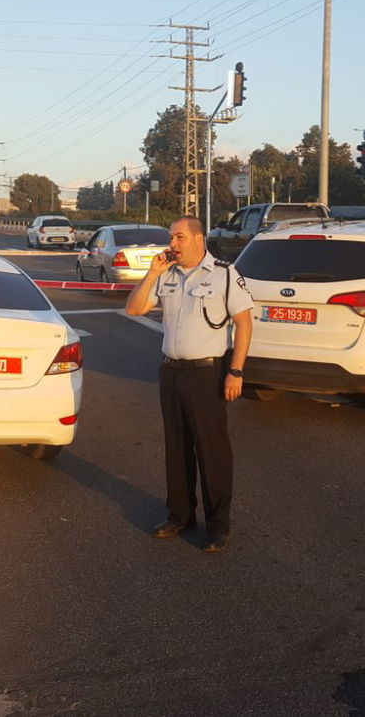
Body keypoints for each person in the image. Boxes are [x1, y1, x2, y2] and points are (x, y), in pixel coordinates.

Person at [124, 216, 253, 552]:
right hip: (171, 372)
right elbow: (134, 309)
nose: (173, 244)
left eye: (180, 237)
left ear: (200, 239)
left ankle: (218, 526)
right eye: (171, 237)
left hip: (206, 374)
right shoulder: (166, 273)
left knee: (212, 452)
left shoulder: (224, 274)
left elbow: (244, 323)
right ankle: (179, 516)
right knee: (176, 449)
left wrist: (235, 371)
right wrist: (151, 273)